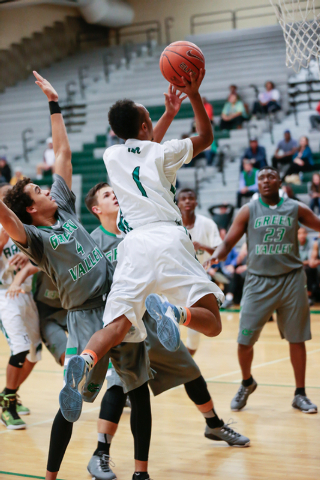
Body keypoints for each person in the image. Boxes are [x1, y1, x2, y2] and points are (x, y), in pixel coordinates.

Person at [2, 72, 158, 480]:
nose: (47, 189)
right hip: (85, 317)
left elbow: (63, 154)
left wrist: (55, 104)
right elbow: (7, 216)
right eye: (38, 191)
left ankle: (141, 472)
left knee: (137, 390)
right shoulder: (33, 237)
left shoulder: (66, 208)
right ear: (31, 209)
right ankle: (51, 475)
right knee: (74, 401)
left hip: (116, 300)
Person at [62, 72, 225, 426]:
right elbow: (205, 137)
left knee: (119, 325)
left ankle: (87, 360)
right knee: (211, 322)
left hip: (132, 247)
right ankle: (173, 313)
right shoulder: (164, 152)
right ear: (146, 123)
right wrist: (193, 96)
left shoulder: (111, 156)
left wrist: (161, 117)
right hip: (168, 239)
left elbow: (142, 150)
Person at [84, 183, 249, 479]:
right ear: (97, 209)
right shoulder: (95, 242)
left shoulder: (138, 230)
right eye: (108, 195)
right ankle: (100, 453)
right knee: (118, 385)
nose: (117, 196)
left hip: (154, 318)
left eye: (116, 191)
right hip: (123, 325)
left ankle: (213, 425)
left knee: (189, 369)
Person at [211, 166, 318, 414]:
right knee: (244, 341)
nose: (265, 181)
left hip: (291, 280)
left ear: (279, 181)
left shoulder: (294, 207)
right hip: (258, 281)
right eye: (261, 178)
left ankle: (300, 394)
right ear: (256, 184)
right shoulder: (248, 210)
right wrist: (217, 255)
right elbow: (228, 241)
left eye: (270, 176)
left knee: (297, 339)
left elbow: (318, 224)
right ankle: (247, 382)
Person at [0, 182, 41, 430]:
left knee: (34, 354)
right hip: (5, 295)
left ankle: (10, 393)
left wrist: (28, 255)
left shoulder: (28, 227)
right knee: (21, 348)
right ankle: (8, 403)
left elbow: (43, 261)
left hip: (27, 294)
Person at [177, 188, 222, 355]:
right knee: (169, 329)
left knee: (194, 336)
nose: (187, 201)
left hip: (198, 282)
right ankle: (172, 366)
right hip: (173, 281)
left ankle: (184, 366)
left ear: (196, 202)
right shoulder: (172, 224)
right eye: (184, 199)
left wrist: (202, 246)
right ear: (178, 203)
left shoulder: (208, 224)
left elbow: (219, 255)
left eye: (191, 198)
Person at [298, 227, 317, 305]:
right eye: (299, 233)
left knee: (308, 269)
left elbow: (312, 261)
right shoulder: (293, 244)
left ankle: (308, 296)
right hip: (297, 267)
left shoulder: (312, 243)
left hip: (307, 268)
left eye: (303, 233)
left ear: (306, 234)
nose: (302, 235)